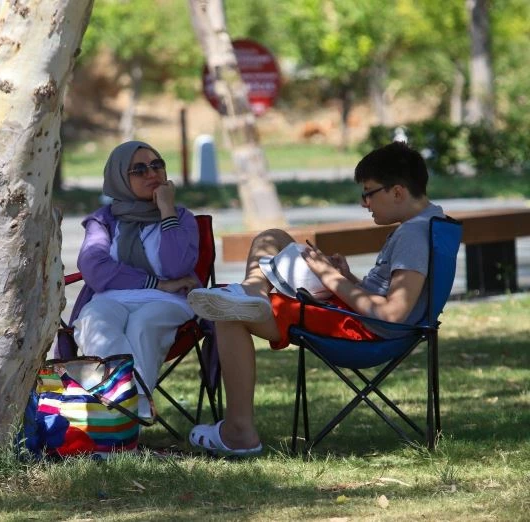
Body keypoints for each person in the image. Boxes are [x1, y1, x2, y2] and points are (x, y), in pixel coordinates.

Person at [186, 142, 445, 456]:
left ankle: (239, 431)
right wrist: (346, 278)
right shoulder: (430, 222)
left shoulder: (412, 236)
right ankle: (253, 290)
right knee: (272, 238)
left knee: (228, 310)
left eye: (368, 193)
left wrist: (328, 277)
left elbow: (391, 314)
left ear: (398, 192)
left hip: (363, 330)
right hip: (357, 316)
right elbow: (387, 298)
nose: (365, 203)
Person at [68, 140, 201, 421]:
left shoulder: (182, 218)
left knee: (144, 324)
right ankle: (127, 410)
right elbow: (95, 268)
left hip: (169, 302)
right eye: (138, 169)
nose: (151, 173)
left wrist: (166, 211)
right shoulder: (103, 221)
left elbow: (177, 266)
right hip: (113, 298)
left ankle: (122, 417)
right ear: (119, 178)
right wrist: (156, 283)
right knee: (95, 322)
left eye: (157, 165)